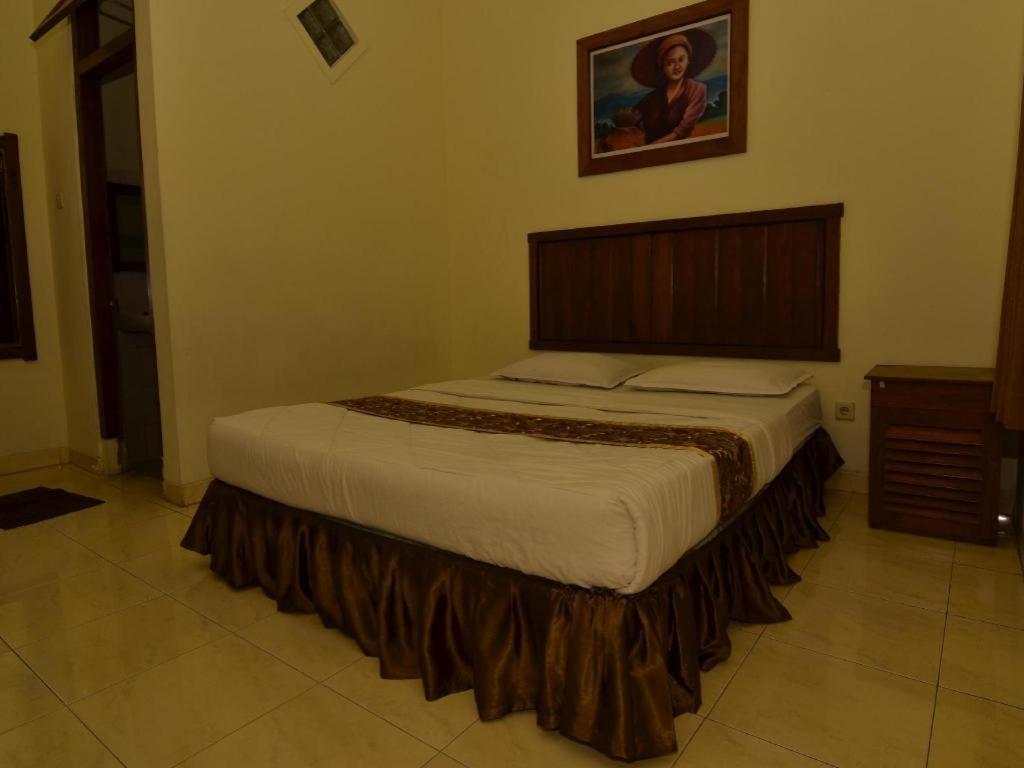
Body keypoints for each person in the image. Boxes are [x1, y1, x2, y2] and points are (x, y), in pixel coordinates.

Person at [630, 30, 716, 145]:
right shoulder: (651, 98)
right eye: (670, 63)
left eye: (681, 59)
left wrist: (653, 147)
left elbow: (683, 131)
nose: (677, 67)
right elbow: (631, 119)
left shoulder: (697, 90)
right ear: (662, 67)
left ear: (688, 60)